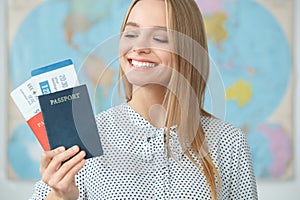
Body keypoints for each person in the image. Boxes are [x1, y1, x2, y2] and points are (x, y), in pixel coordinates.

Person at [30, 0, 258, 199]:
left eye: (159, 38)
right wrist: (61, 197)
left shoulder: (229, 142)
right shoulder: (86, 136)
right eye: (131, 34)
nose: (139, 47)